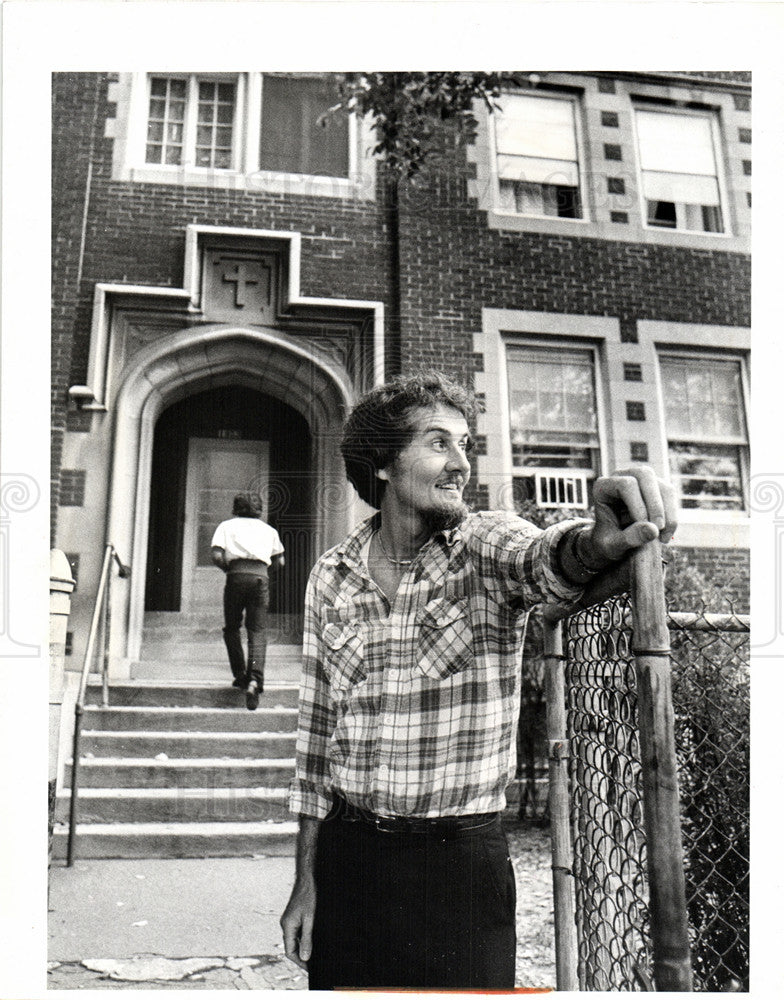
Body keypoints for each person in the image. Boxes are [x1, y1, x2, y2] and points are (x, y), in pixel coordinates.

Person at [280, 372, 676, 989]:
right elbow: (315, 741)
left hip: (459, 867)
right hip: (348, 858)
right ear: (382, 463)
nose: (461, 463)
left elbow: (548, 558)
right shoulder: (330, 576)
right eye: (439, 443)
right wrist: (305, 881)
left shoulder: (484, 548)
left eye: (466, 444)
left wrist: (596, 542)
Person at [211, 493, 284, 711]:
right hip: (260, 578)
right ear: (259, 509)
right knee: (257, 631)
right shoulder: (268, 530)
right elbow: (280, 560)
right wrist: (263, 572)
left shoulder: (226, 526)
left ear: (236, 507)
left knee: (232, 627)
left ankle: (240, 674)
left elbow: (216, 555)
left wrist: (230, 569)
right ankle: (255, 679)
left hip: (235, 577)